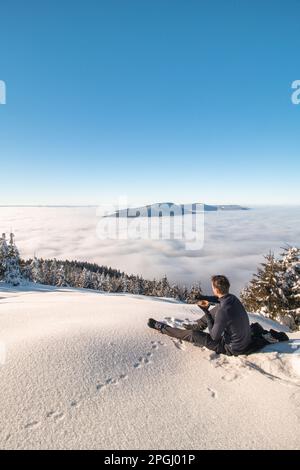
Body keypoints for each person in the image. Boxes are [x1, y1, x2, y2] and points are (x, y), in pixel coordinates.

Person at [147, 275, 252, 356]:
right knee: (216, 309)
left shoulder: (223, 311)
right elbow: (218, 299)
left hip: (231, 348)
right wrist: (202, 297)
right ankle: (197, 325)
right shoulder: (232, 298)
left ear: (216, 290)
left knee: (193, 334)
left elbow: (214, 337)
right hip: (244, 341)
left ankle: (162, 328)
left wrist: (206, 312)